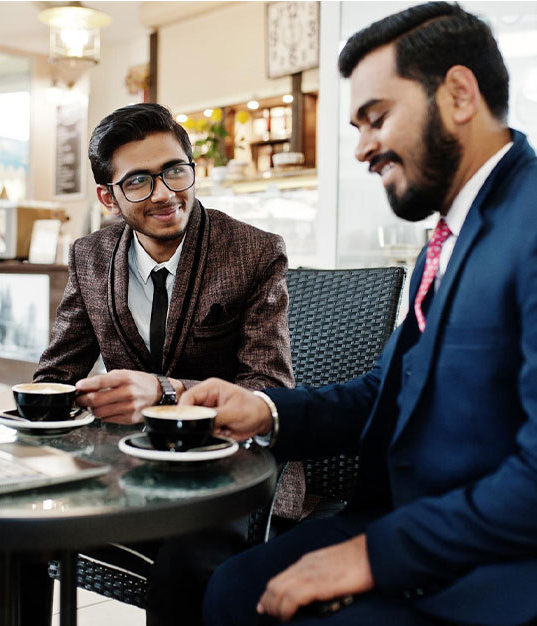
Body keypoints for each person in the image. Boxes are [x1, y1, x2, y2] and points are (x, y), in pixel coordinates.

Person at [180, 3, 537, 625]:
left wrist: (376, 554)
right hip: (406, 522)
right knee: (230, 586)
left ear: (458, 94)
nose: (362, 149)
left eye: (376, 118)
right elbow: (386, 394)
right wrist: (262, 409)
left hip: (495, 566)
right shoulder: (450, 238)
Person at [0, 102, 294, 626]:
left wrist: (165, 392)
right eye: (139, 181)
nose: (167, 194)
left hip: (226, 477)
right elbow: (56, 372)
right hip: (123, 469)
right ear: (108, 195)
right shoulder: (90, 254)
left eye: (175, 170)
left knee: (186, 568)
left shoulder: (254, 252)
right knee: (8, 526)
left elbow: (269, 388)